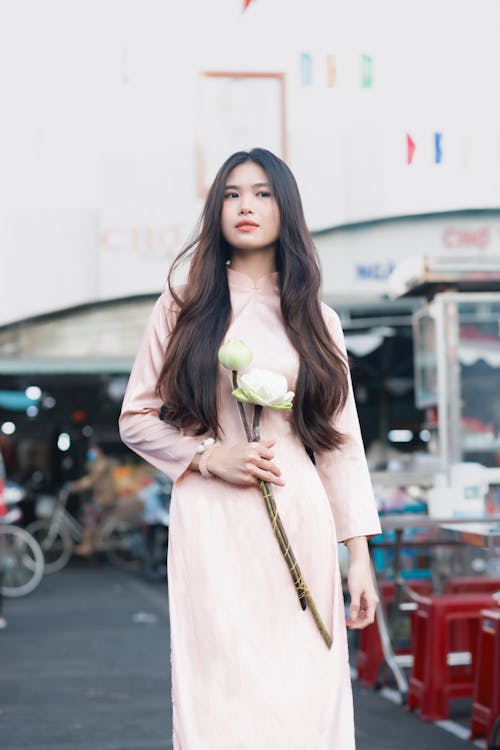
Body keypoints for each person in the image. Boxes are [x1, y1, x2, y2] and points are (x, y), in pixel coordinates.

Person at [119, 148, 381, 749]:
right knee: (220, 679)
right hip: (212, 521)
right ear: (217, 210)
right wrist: (209, 456)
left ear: (285, 209)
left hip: (298, 514)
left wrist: (359, 554)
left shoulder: (317, 317)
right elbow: (135, 417)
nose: (246, 206)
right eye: (233, 194)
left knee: (305, 683)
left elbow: (341, 444)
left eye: (263, 193)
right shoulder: (183, 306)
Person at [69, 443, 116, 556]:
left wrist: (78, 485)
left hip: (105, 497)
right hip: (100, 496)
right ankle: (92, 540)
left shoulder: (102, 463)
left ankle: (87, 545)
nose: (92, 454)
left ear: (99, 451)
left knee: (89, 512)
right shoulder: (96, 463)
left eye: (93, 451)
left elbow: (92, 479)